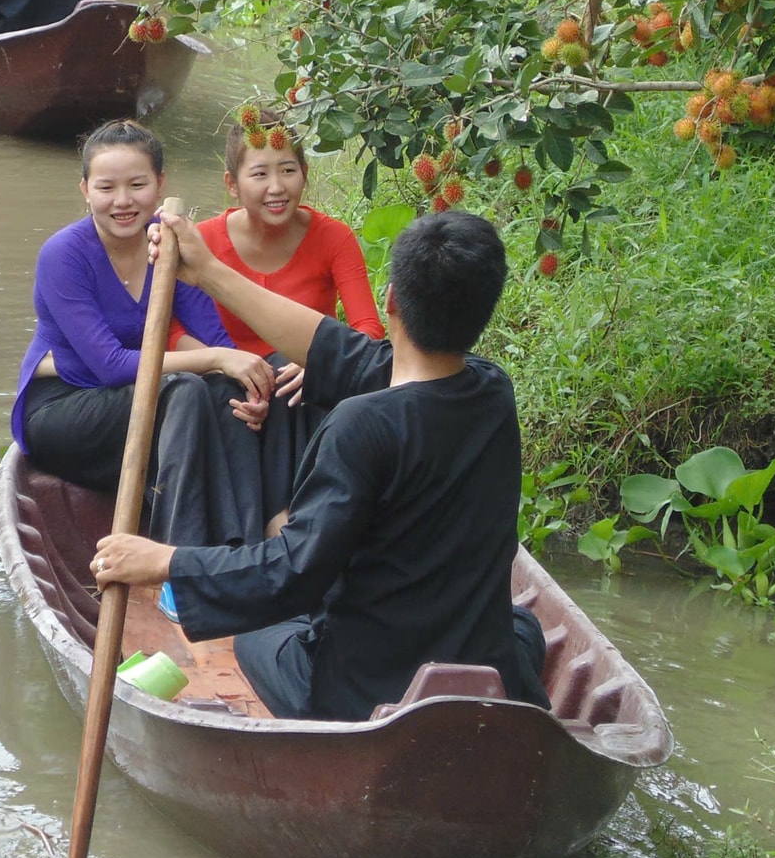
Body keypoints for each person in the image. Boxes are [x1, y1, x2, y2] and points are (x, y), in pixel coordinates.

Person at [90, 209, 553, 722]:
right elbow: (343, 351)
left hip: (370, 691)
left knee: (258, 634)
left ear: (391, 300)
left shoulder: (361, 425)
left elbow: (293, 574)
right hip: (481, 667)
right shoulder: (494, 391)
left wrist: (164, 560)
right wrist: (205, 273)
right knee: (521, 626)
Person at [14, 120, 276, 550]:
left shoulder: (168, 244)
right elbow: (111, 366)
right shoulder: (64, 254)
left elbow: (215, 338)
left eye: (137, 184)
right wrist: (216, 359)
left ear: (160, 184)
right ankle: (175, 564)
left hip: (141, 400)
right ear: (85, 190)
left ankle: (244, 552)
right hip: (63, 411)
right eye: (105, 188)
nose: (122, 201)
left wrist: (247, 387)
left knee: (227, 389)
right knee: (186, 390)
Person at [198, 108, 386, 518]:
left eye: (287, 170)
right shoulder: (203, 242)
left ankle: (288, 521)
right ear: (232, 184)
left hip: (300, 390)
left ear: (304, 171)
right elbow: (176, 329)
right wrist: (231, 369)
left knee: (289, 374)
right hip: (229, 383)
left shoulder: (333, 237)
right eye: (260, 174)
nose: (277, 187)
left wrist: (321, 360)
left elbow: (369, 328)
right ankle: (265, 528)